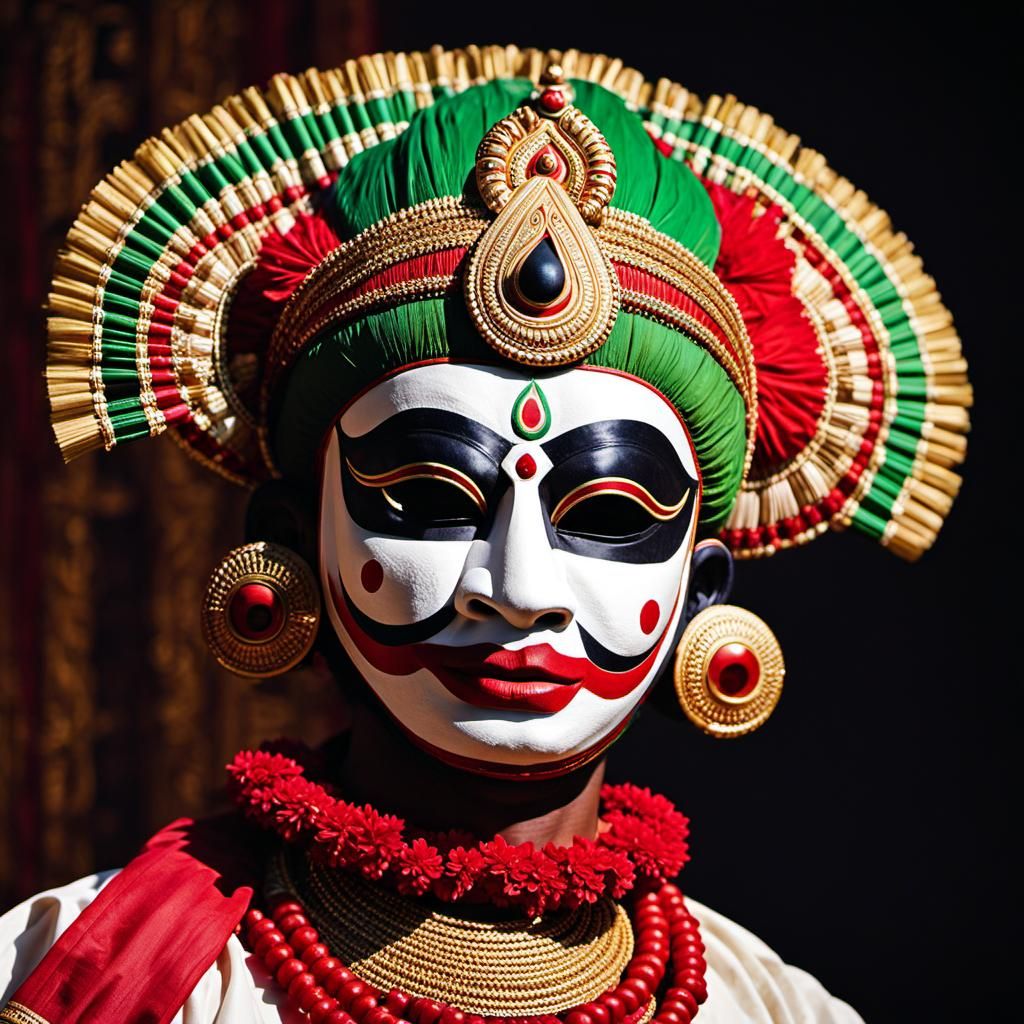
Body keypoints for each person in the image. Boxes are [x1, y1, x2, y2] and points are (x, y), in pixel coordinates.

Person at [0, 45, 970, 1024]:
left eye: (609, 515)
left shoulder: (767, 1009)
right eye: (430, 497)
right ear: (292, 536)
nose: (516, 585)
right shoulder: (81, 971)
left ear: (698, 587)